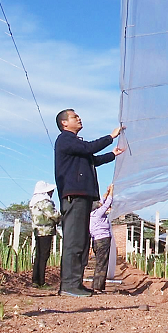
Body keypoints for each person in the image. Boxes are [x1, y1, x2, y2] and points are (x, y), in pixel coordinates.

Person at [54, 108, 124, 297]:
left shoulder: (75, 144)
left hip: (82, 197)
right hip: (74, 197)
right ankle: (68, 285)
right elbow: (89, 149)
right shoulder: (65, 139)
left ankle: (75, 283)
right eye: (74, 117)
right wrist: (110, 136)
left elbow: (92, 159)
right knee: (74, 242)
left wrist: (112, 154)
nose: (79, 118)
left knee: (82, 242)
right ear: (64, 123)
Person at [29, 181, 61, 287]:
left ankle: (35, 280)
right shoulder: (45, 202)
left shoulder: (34, 202)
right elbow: (54, 215)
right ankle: (41, 281)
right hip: (46, 231)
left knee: (38, 255)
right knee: (44, 255)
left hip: (38, 231)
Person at [89, 184, 114, 293]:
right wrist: (112, 191)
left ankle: (97, 285)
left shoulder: (91, 214)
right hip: (103, 240)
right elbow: (107, 203)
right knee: (102, 263)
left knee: (100, 262)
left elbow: (103, 200)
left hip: (96, 241)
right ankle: (97, 287)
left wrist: (107, 191)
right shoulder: (98, 213)